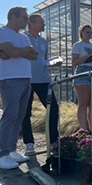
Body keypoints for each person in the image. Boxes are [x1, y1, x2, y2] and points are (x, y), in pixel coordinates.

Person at [0, 6, 38, 169]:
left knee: (20, 115)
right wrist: (24, 50)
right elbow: (14, 52)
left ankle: (12, 150)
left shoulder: (23, 37)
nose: (26, 20)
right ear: (13, 17)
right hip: (9, 79)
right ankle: (2, 154)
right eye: (24, 18)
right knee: (10, 115)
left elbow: (34, 56)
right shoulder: (3, 32)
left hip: (25, 79)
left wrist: (17, 51)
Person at [22, 14, 62, 155]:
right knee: (26, 112)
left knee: (53, 109)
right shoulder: (23, 38)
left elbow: (44, 60)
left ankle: (54, 141)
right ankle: (29, 144)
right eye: (41, 22)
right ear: (32, 24)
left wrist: (52, 62)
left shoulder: (44, 41)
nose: (43, 25)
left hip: (44, 80)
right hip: (27, 79)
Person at [71, 25, 92, 132]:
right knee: (83, 103)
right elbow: (74, 62)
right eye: (87, 32)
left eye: (91, 33)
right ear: (82, 33)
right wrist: (88, 57)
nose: (89, 34)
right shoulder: (77, 45)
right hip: (82, 72)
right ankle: (83, 130)